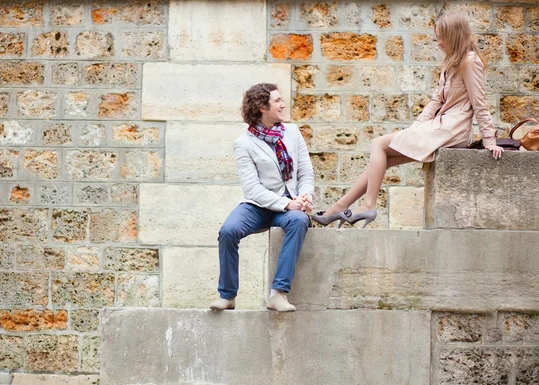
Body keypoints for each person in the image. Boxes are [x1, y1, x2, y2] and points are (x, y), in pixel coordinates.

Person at [312, 13, 504, 228]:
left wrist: (489, 139)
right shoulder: (451, 62)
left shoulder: (470, 63)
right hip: (438, 127)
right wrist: (415, 128)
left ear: (454, 35)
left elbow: (480, 103)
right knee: (384, 160)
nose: (439, 43)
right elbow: (435, 100)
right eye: (437, 38)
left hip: (451, 130)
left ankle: (367, 206)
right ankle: (339, 206)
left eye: (442, 37)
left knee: (378, 144)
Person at [210, 83, 314, 312]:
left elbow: (305, 172)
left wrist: (305, 196)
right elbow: (252, 189)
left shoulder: (293, 132)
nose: (283, 104)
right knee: (228, 231)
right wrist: (287, 203)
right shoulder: (244, 143)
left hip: (290, 206)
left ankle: (278, 294)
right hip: (258, 206)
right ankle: (227, 295)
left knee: (298, 221)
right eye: (277, 101)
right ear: (261, 107)